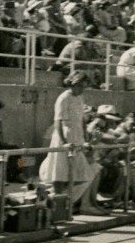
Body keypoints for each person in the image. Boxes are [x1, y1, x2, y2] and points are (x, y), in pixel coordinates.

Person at [38, 71, 97, 212]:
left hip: (78, 136)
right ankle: (58, 205)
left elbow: (81, 119)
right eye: (81, 86)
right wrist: (64, 141)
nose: (83, 89)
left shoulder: (79, 98)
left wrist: (85, 136)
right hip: (65, 136)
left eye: (84, 86)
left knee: (83, 174)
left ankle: (60, 199)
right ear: (74, 83)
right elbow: (58, 121)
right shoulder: (63, 98)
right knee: (60, 171)